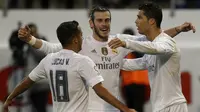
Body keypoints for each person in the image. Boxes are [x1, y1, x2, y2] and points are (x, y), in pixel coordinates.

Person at [17, 6, 195, 112]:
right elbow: (51, 47)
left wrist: (178, 29)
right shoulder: (82, 45)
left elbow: (151, 38)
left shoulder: (118, 41)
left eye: (107, 20)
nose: (104, 24)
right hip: (90, 108)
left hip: (113, 106)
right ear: (91, 23)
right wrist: (30, 40)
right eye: (100, 20)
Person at [3, 21, 136, 112]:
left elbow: (27, 82)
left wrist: (10, 98)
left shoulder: (49, 60)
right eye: (81, 35)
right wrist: (124, 108)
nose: (83, 39)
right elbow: (100, 91)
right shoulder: (82, 61)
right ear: (75, 39)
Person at [108, 2, 195, 112]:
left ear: (151, 21)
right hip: (160, 107)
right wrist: (109, 61)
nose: (136, 21)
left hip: (174, 106)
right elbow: (138, 63)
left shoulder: (167, 42)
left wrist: (126, 44)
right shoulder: (153, 45)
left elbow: (156, 48)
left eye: (139, 17)